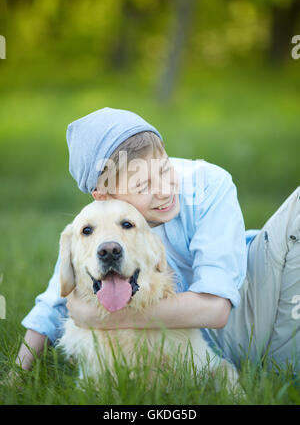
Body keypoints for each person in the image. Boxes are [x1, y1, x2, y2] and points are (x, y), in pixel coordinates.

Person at [16, 107, 300, 373]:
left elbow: (215, 308)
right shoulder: (97, 227)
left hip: (252, 299)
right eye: (143, 185)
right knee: (272, 369)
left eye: (165, 169)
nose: (165, 191)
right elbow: (53, 304)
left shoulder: (209, 184)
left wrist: (101, 317)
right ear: (104, 195)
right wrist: (16, 377)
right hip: (184, 346)